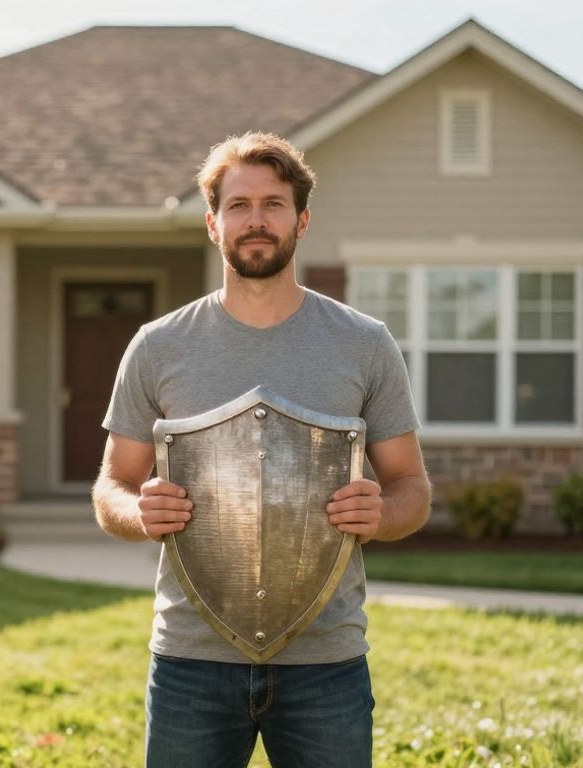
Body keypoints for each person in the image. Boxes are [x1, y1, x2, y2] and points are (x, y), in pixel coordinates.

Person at [91, 131, 433, 767]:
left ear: (301, 219)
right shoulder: (158, 345)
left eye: (273, 204)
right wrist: (138, 513)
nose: (256, 220)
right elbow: (112, 485)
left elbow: (411, 487)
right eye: (238, 205)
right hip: (191, 662)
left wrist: (383, 514)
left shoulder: (363, 343)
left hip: (325, 662)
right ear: (213, 225)